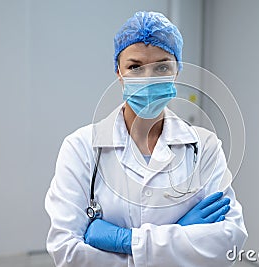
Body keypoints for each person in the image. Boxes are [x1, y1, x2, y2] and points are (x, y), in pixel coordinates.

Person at [45, 11, 247, 267]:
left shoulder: (204, 147)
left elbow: (229, 239)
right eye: (135, 67)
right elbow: (67, 251)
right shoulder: (80, 147)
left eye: (162, 66)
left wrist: (128, 241)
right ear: (118, 72)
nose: (149, 79)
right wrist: (177, 239)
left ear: (177, 71)